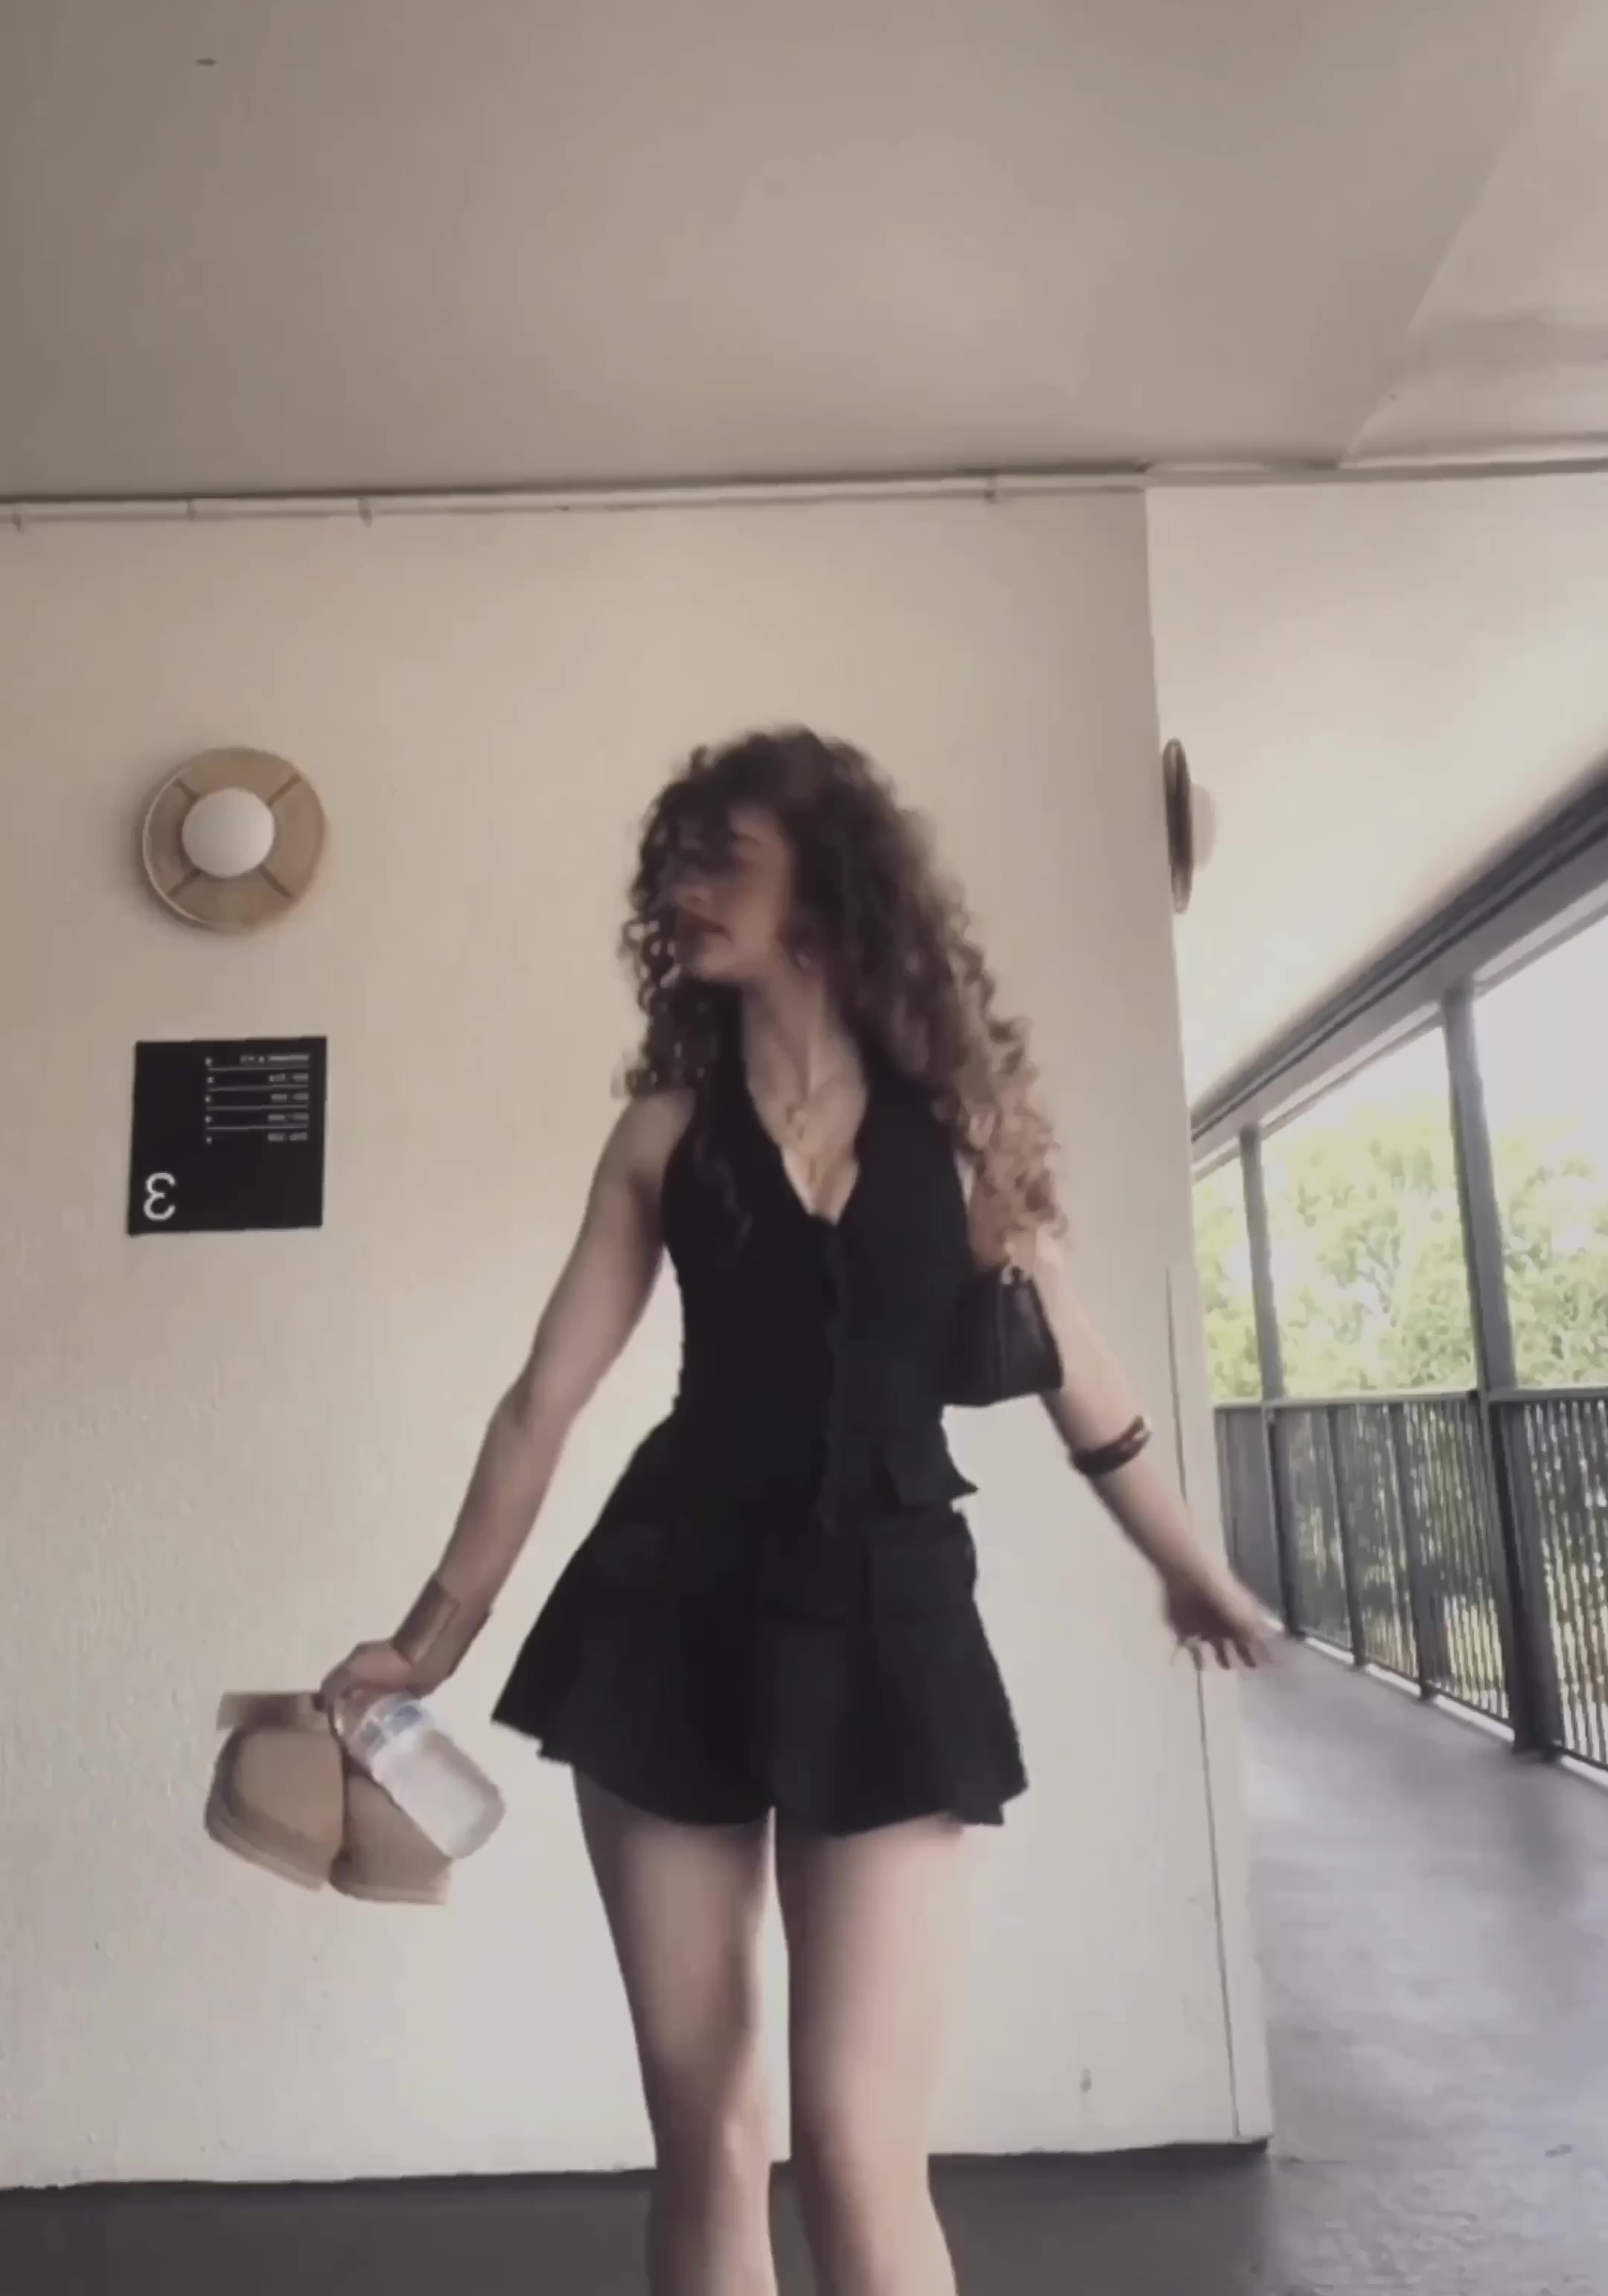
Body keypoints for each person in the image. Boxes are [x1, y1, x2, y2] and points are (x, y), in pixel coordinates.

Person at [322, 727, 1268, 2296]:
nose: (681, 892)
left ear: (824, 891)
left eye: (721, 862)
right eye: (674, 866)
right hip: (668, 1610)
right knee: (708, 2132)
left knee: (855, 2144)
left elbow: (1080, 1375)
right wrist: (427, 1644)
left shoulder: (959, 1140)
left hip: (892, 1622)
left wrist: (1188, 1568)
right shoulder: (663, 1135)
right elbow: (541, 1402)